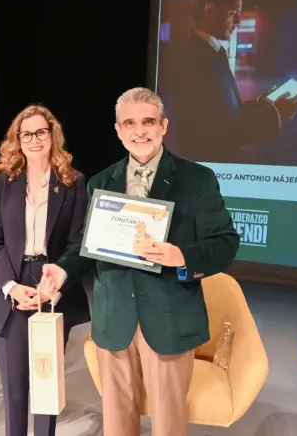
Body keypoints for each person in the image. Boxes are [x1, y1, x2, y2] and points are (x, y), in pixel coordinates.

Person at [40, 87, 240, 436]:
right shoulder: (102, 181)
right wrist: (62, 270)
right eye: (129, 123)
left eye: (148, 122)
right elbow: (88, 247)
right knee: (117, 425)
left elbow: (225, 244)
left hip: (168, 319)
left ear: (164, 126)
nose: (140, 131)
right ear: (118, 130)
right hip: (115, 319)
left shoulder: (197, 179)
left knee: (167, 425)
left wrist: (181, 256)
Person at [0, 105, 91, 436]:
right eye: (26, 134)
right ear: (17, 139)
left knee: (46, 383)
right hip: (11, 281)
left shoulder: (72, 182)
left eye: (41, 132)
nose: (34, 140)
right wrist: (10, 287)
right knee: (14, 388)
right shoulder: (4, 180)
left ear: (52, 134)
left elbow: (77, 241)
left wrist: (55, 284)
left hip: (52, 282)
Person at [165, 0, 297, 163]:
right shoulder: (195, 60)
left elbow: (226, 113)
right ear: (210, 10)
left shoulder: (212, 52)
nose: (238, 22)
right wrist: (276, 114)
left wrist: (265, 103)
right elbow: (219, 133)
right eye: (232, 13)